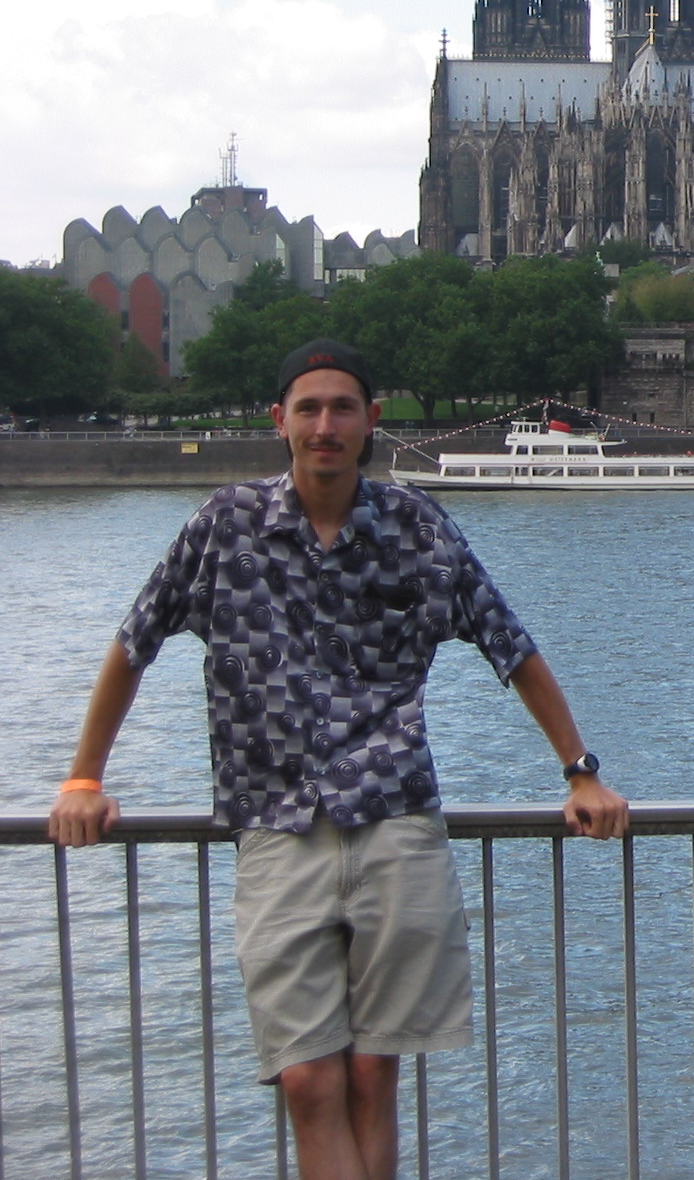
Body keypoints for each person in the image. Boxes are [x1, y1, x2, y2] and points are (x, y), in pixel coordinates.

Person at [47, 338, 628, 1180]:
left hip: (394, 821)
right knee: (309, 1080)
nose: (325, 425)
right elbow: (133, 646)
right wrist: (84, 779)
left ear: (371, 422)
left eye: (342, 408)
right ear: (279, 421)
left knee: (369, 1077)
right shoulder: (225, 524)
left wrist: (580, 771)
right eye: (309, 408)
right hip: (276, 830)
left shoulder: (417, 526)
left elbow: (513, 650)